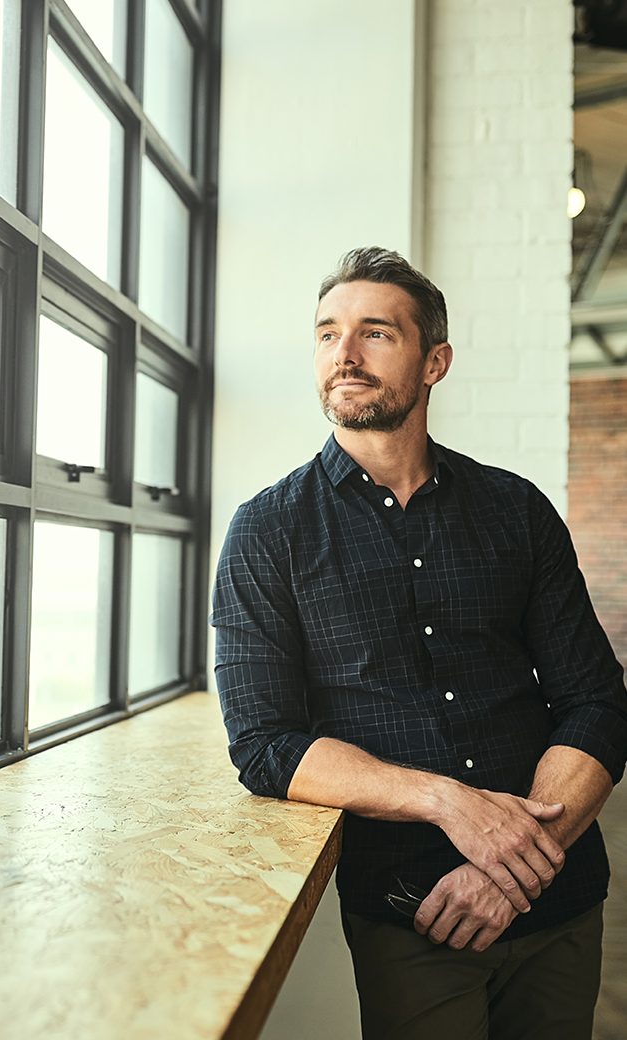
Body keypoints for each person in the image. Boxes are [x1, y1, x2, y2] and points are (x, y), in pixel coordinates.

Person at [210, 246, 627, 1039]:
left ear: (434, 361)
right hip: (413, 916)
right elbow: (264, 745)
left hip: (559, 904)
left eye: (376, 333)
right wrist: (451, 804)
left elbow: (596, 704)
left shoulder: (517, 510)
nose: (345, 354)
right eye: (328, 334)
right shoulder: (268, 531)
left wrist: (513, 868)